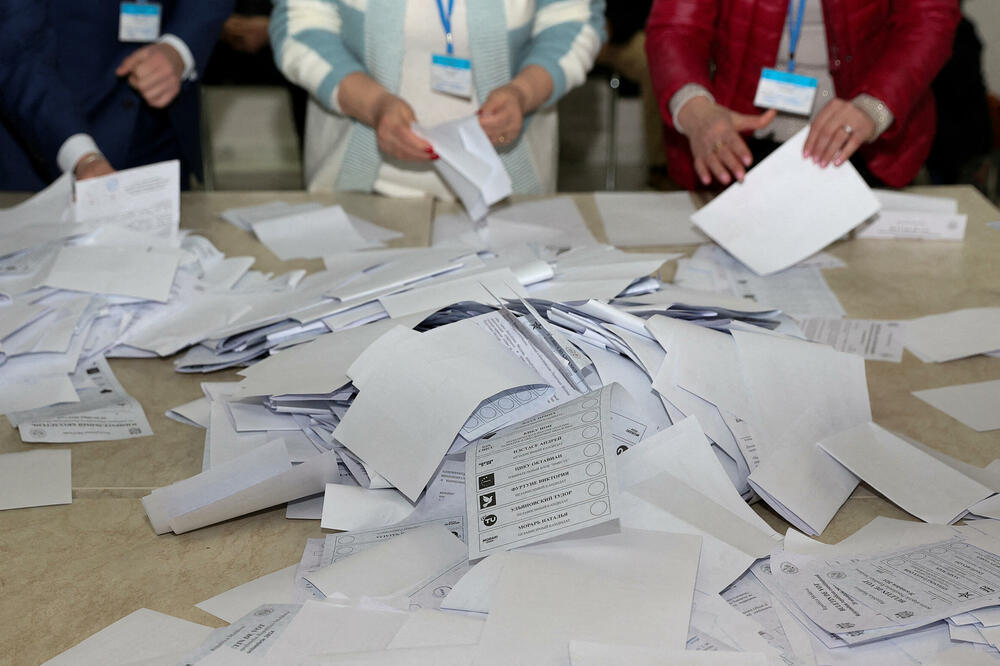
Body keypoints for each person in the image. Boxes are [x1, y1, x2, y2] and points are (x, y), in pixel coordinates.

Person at [270, 0, 605, 195]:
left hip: (507, 189)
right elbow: (301, 27)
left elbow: (573, 24)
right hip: (360, 187)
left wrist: (524, 92)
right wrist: (373, 105)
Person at [645, 0, 961, 190]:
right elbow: (675, 27)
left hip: (863, 143)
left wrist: (874, 105)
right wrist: (695, 108)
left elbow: (929, 19)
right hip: (737, 140)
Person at [0, 0, 233, 191]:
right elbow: (19, 52)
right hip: (47, 140)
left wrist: (179, 48)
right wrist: (82, 157)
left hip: (160, 133)